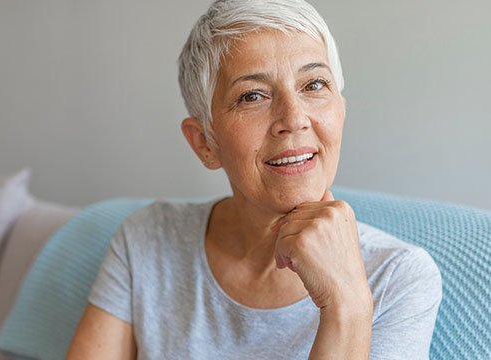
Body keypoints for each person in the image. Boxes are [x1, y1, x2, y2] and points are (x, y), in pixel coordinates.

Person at [66, 0, 442, 359]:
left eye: (314, 85)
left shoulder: (399, 276)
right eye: (252, 96)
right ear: (205, 143)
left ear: (341, 111)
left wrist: (347, 304)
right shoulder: (145, 240)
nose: (294, 118)